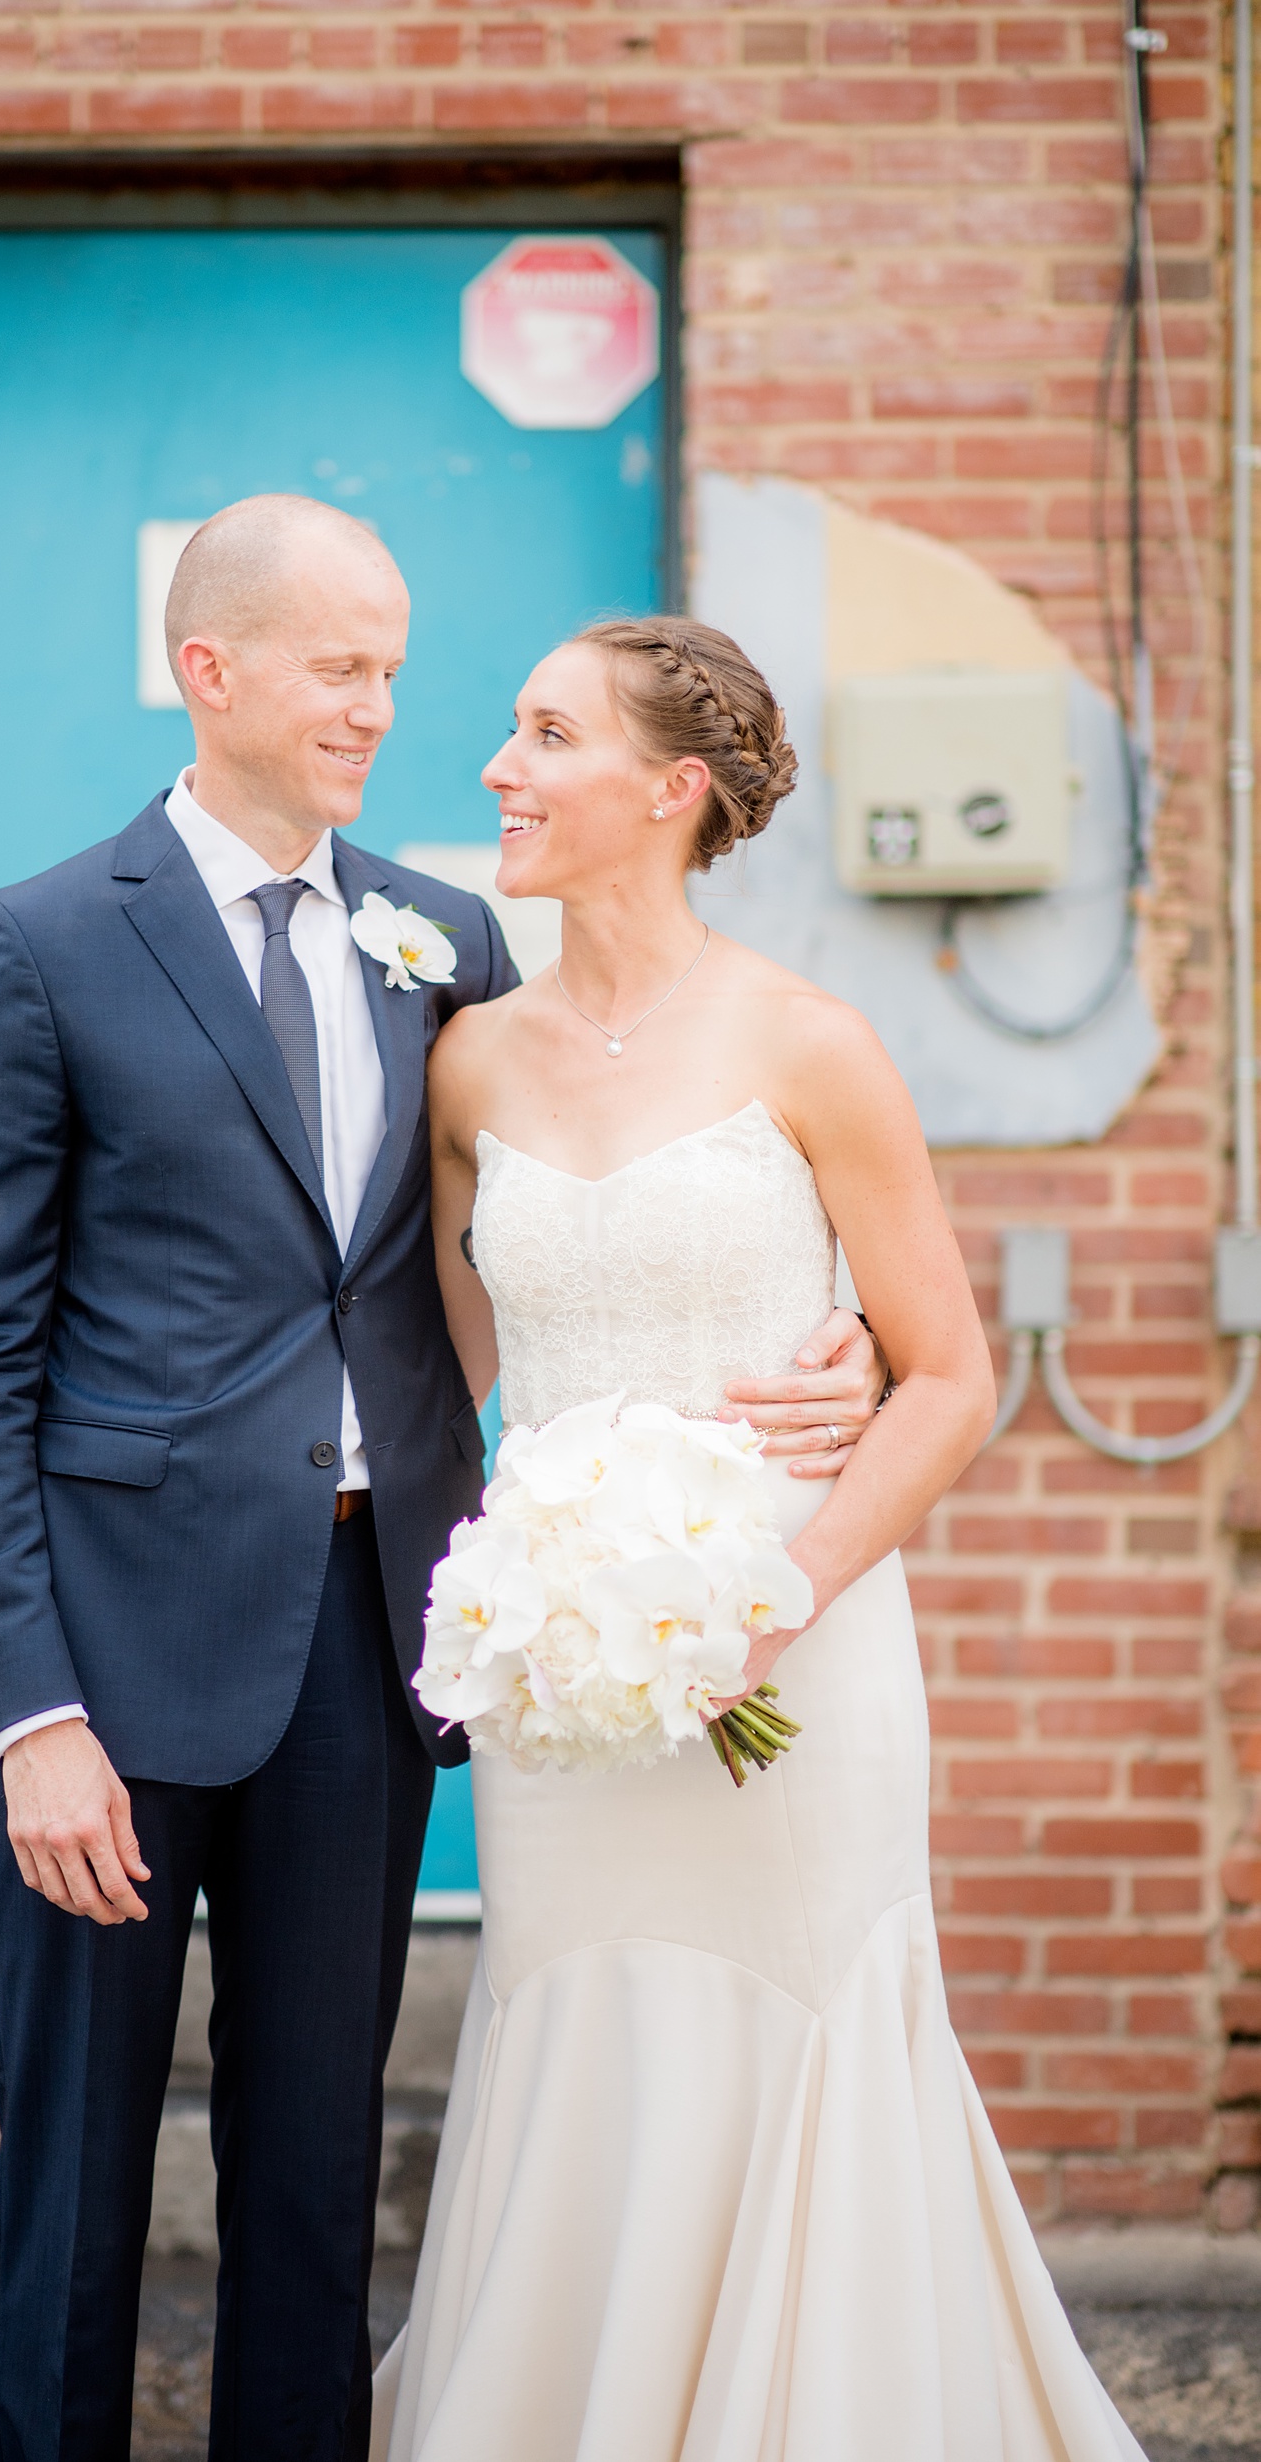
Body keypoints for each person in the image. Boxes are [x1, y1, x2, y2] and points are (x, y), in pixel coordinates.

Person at [0, 502, 886, 2462]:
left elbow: (536, 1235)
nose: (381, 705)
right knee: (78, 2188)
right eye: (343, 665)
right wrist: (26, 1712)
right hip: (107, 1670)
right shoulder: (34, 945)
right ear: (213, 673)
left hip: (365, 1656)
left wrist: (814, 1333)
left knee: (314, 2184)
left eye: (392, 666)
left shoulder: (443, 939)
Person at [375, 614, 1147, 2461]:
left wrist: (776, 1594)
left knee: (807, 2030)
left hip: (795, 1660)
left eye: (546, 734)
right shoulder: (467, 1066)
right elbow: (455, 1381)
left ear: (671, 791)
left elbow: (949, 1376)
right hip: (570, 1690)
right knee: (573, 2032)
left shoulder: (815, 1042)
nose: (499, 765)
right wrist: (524, 1577)